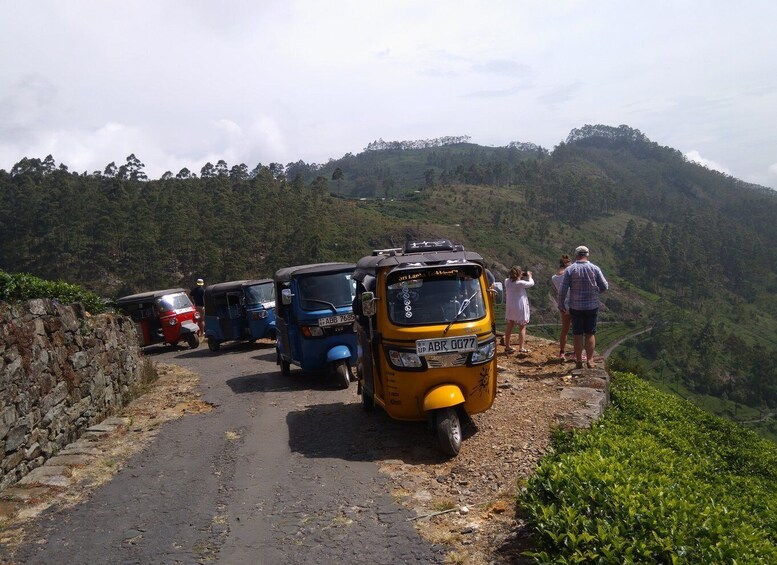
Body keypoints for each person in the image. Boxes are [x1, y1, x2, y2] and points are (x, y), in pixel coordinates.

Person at [556, 246, 608, 369]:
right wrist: (595, 292)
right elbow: (605, 286)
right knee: (590, 333)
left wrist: (561, 304)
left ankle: (579, 360)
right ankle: (590, 360)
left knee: (577, 334)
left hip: (576, 306)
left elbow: (563, 290)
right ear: (587, 255)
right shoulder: (595, 268)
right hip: (592, 306)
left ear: (576, 255)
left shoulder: (570, 269)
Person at [503, 266, 534, 354]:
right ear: (519, 274)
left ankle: (507, 346)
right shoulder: (520, 283)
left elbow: (510, 279)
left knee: (510, 325)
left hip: (510, 306)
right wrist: (529, 276)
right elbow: (531, 283)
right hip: (519, 306)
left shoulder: (506, 282)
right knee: (522, 326)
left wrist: (520, 275)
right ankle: (522, 347)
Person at [551, 254, 572, 360]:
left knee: (565, 329)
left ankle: (562, 352)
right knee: (578, 330)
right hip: (574, 303)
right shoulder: (571, 273)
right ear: (567, 263)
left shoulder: (554, 278)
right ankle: (577, 354)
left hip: (563, 304)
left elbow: (558, 291)